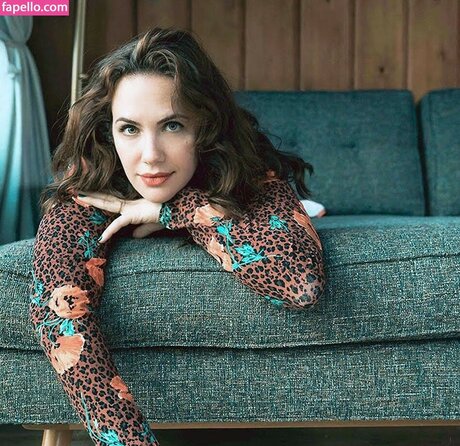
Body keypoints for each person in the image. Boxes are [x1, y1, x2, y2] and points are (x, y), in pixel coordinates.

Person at [29, 27, 326, 446]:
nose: (150, 155)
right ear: (108, 130)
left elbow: (301, 285)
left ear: (204, 127)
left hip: (224, 189)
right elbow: (61, 319)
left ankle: (306, 210)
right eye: (129, 129)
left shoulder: (240, 164)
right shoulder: (87, 189)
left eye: (171, 125)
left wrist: (173, 210)